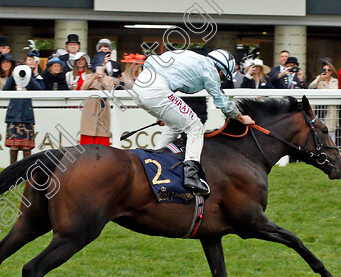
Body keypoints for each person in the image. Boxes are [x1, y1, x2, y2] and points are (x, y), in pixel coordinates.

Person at [129, 49, 255, 195]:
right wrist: (241, 117)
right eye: (223, 77)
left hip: (141, 86)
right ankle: (191, 175)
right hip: (157, 89)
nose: (220, 80)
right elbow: (222, 102)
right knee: (195, 126)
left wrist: (164, 112)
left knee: (175, 125)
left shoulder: (192, 57)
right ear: (220, 70)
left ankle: (154, 158)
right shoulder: (210, 69)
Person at [3, 65, 43, 163]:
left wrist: (29, 77)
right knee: (14, 147)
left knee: (27, 147)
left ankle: (26, 170)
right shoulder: (12, 81)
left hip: (27, 117)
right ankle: (12, 169)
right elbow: (5, 90)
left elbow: (39, 90)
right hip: (14, 117)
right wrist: (13, 77)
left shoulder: (29, 81)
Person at [79, 57, 116, 146]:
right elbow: (83, 88)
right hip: (90, 108)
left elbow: (111, 91)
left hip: (103, 109)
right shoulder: (89, 76)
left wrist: (102, 78)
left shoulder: (109, 79)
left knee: (102, 135)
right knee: (88, 133)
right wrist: (94, 77)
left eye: (102, 66)